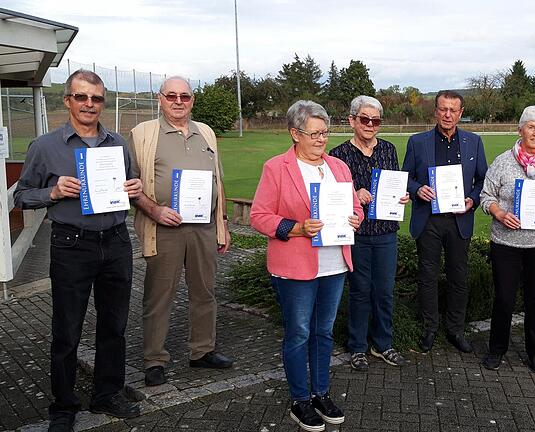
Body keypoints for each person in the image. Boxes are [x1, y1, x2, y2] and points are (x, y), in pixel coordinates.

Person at [14, 70, 143, 431]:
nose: (89, 104)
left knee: (114, 325)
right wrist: (52, 193)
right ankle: (64, 406)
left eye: (96, 98)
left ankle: (106, 395)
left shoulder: (117, 143)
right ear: (68, 100)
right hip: (72, 244)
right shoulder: (45, 146)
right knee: (67, 329)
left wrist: (134, 187)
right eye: (82, 97)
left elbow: (131, 185)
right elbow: (22, 196)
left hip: (116, 241)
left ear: (103, 102)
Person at [251, 100, 364, 431]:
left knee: (324, 331)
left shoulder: (339, 167)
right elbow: (259, 216)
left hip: (334, 264)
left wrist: (355, 218)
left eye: (325, 132)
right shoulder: (277, 167)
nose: (320, 139)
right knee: (299, 333)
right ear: (294, 133)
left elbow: (354, 207)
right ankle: (300, 400)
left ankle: (321, 392)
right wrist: (295, 228)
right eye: (313, 133)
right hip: (295, 266)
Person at [129, 76, 233, 388]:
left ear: (192, 100)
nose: (178, 101)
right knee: (159, 296)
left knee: (205, 291)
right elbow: (130, 185)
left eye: (184, 96)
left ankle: (202, 351)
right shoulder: (143, 134)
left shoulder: (207, 133)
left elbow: (218, 182)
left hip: (202, 229)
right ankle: (154, 359)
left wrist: (223, 224)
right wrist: (154, 210)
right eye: (171, 95)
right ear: (159, 98)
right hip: (164, 229)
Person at [479, 106, 535, 373]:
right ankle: (497, 349)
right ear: (520, 130)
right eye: (531, 127)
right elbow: (487, 197)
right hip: (506, 242)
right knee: (504, 299)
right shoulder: (502, 161)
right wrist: (499, 212)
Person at [402, 90, 488, 354]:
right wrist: (418, 189)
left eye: (453, 110)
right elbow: (404, 177)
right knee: (427, 277)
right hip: (429, 220)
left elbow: (483, 181)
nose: (447, 114)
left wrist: (472, 200)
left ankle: (455, 329)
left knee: (458, 277)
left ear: (461, 113)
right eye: (443, 109)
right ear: (435, 111)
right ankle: (430, 328)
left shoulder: (474, 142)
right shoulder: (418, 142)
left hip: (459, 220)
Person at [328, 96, 409, 371]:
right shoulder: (338, 155)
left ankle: (383, 343)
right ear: (352, 120)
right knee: (360, 291)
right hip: (357, 233)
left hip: (386, 230)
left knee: (384, 291)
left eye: (376, 120)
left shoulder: (388, 149)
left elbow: (394, 183)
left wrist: (402, 196)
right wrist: (353, 193)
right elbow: (333, 197)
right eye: (365, 119)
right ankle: (357, 346)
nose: (370, 125)